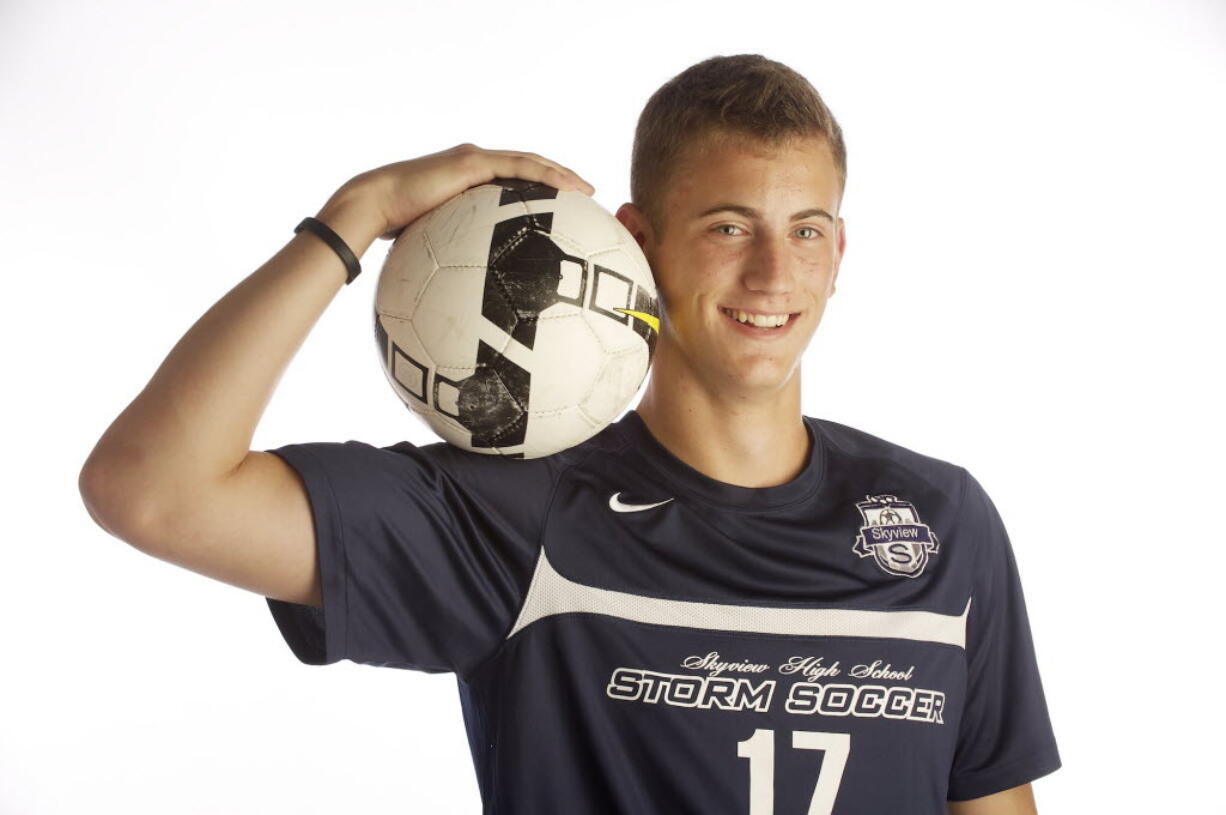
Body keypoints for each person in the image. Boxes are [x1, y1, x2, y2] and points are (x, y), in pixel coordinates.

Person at [79, 54, 1061, 814]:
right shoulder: (517, 510)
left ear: (838, 249)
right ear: (634, 242)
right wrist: (355, 216)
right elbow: (151, 489)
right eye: (727, 226)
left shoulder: (940, 520)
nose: (773, 271)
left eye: (805, 228)